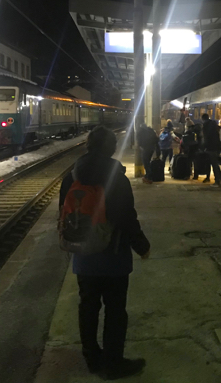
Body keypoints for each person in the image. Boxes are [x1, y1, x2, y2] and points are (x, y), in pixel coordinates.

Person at [59, 126, 150, 380]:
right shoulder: (116, 178)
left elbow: (64, 214)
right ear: (111, 148)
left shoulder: (71, 176)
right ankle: (113, 362)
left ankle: (91, 357)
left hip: (83, 256)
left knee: (87, 306)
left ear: (88, 146)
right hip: (113, 255)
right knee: (115, 309)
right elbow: (125, 217)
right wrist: (141, 244)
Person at [201, 113, 221, 186]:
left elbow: (206, 137)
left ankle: (217, 181)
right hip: (217, 146)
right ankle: (220, 178)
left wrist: (204, 146)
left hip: (210, 147)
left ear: (203, 119)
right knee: (215, 163)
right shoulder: (213, 124)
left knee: (214, 164)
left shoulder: (205, 126)